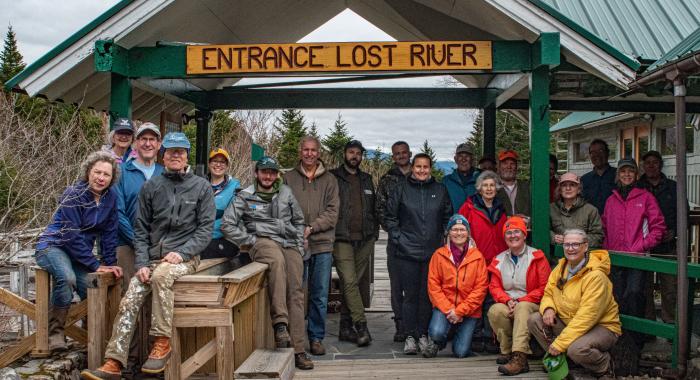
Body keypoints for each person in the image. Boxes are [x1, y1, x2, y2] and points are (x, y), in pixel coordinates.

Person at [82, 132, 215, 380]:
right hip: (153, 258)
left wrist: (182, 252)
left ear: (187, 156)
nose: (176, 156)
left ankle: (162, 342)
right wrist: (142, 262)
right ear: (163, 156)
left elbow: (205, 229)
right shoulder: (152, 186)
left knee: (162, 275)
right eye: (171, 151)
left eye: (181, 152)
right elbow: (141, 229)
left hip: (185, 259)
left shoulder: (201, 187)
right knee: (130, 297)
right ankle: (114, 361)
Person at [221, 156, 313, 370]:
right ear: (256, 173)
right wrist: (249, 240)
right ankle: (280, 323)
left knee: (297, 291)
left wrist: (299, 247)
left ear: (277, 174)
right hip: (261, 241)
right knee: (276, 262)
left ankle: (299, 349)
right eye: (264, 172)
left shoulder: (286, 193)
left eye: (272, 172)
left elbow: (299, 221)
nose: (268, 176)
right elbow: (227, 224)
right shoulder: (244, 196)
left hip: (289, 242)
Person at [35, 151, 123, 353]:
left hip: (76, 254)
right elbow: (70, 235)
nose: (101, 178)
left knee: (91, 285)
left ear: (112, 178)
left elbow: (109, 233)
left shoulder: (111, 198)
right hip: (54, 246)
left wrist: (109, 264)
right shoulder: (73, 194)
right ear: (88, 172)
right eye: (97, 172)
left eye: (106, 175)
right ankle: (55, 332)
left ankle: (89, 335)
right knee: (66, 278)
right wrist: (94, 265)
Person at [528, 229, 621, 378]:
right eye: (567, 244)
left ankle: (605, 366)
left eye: (575, 244)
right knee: (535, 320)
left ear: (585, 246)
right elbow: (548, 293)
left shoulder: (596, 276)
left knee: (576, 349)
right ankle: (565, 361)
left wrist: (560, 343)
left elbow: (587, 317)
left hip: (600, 326)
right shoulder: (560, 268)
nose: (570, 248)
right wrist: (549, 308)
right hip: (569, 322)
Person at [385, 153, 452, 355]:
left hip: (432, 252)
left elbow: (447, 217)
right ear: (412, 168)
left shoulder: (439, 190)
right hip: (406, 251)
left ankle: (422, 333)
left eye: (426, 167)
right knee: (410, 296)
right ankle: (409, 336)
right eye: (418, 166)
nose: (422, 170)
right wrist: (399, 239)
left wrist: (443, 239)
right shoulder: (401, 188)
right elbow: (390, 218)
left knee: (427, 296)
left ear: (430, 169)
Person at [112, 122, 163, 377]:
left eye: (153, 139)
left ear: (159, 144)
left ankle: (155, 363)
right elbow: (118, 212)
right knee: (129, 301)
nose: (147, 143)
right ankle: (128, 362)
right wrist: (138, 241)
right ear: (136, 143)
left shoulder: (166, 173)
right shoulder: (122, 171)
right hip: (129, 245)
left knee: (157, 303)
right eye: (143, 138)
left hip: (160, 248)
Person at [283, 135, 339, 356]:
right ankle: (296, 339)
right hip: (296, 245)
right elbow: (282, 209)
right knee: (296, 293)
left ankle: (316, 337)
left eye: (313, 150)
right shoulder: (287, 178)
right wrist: (298, 231)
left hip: (323, 245)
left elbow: (333, 213)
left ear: (319, 152)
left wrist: (311, 228)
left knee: (319, 294)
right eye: (305, 149)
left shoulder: (330, 181)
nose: (309, 153)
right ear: (300, 151)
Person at [602, 158, 665, 345]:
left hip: (637, 257)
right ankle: (620, 339)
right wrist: (607, 248)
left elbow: (658, 227)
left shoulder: (645, 197)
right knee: (617, 296)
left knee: (635, 294)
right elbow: (604, 227)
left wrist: (642, 245)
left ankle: (635, 340)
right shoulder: (611, 200)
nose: (626, 175)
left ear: (636, 175)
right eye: (623, 171)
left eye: (630, 171)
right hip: (615, 257)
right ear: (618, 175)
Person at [487, 216, 551, 375]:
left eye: (517, 232)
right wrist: (508, 301)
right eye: (508, 233)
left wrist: (520, 301)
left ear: (524, 234)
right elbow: (494, 286)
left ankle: (520, 357)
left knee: (522, 308)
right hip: (509, 302)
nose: (512, 236)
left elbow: (545, 287)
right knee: (495, 310)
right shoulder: (499, 259)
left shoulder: (537, 257)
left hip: (531, 304)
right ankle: (507, 350)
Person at [331, 140, 379, 347]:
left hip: (365, 239)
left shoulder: (367, 179)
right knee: (349, 282)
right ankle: (361, 325)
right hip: (341, 238)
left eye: (358, 153)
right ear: (345, 154)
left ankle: (344, 327)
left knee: (352, 285)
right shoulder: (333, 177)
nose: (354, 156)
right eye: (351, 152)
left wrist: (375, 233)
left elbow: (374, 207)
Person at [423, 214, 488, 358]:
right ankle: (438, 340)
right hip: (445, 307)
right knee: (436, 332)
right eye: (455, 229)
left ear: (468, 233)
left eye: (462, 229)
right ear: (448, 232)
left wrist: (460, 311)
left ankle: (455, 333)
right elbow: (434, 287)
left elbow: (480, 289)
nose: (459, 233)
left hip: (468, 310)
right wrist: (449, 310)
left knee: (461, 352)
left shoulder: (478, 257)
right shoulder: (439, 255)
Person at [458, 170, 507, 353]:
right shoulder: (469, 207)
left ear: (496, 188)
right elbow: (459, 231)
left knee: (492, 299)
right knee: (476, 298)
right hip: (476, 260)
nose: (488, 189)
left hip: (497, 262)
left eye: (492, 185)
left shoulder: (501, 208)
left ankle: (490, 335)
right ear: (479, 188)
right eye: (485, 185)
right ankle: (476, 336)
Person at [639, 150, 681, 324]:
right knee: (644, 288)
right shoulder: (637, 187)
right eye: (647, 162)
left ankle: (670, 326)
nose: (651, 166)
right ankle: (649, 327)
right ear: (643, 166)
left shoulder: (673, 187)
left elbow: (682, 213)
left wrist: (675, 231)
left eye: (654, 162)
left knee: (670, 288)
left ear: (661, 165)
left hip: (667, 244)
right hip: (644, 245)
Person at [376, 140, 412, 342]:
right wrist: (394, 231)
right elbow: (379, 209)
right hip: (396, 241)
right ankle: (400, 324)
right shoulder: (387, 179)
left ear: (410, 153)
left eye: (404, 152)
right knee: (397, 285)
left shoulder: (419, 176)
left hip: (418, 240)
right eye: (397, 153)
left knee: (415, 285)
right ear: (393, 156)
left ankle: (413, 323)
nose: (401, 156)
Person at [201, 148, 241, 259]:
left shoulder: (235, 188)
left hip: (225, 239)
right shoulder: (199, 184)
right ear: (209, 164)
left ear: (227, 165)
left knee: (203, 250)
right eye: (215, 161)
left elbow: (232, 220)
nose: (218, 165)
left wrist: (206, 233)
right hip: (201, 237)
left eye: (222, 162)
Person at [550, 172, 604, 249]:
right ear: (560, 190)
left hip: (582, 258)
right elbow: (542, 229)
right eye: (564, 185)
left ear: (578, 189)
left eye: (572, 185)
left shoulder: (591, 210)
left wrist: (578, 240)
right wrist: (553, 237)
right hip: (557, 258)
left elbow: (598, 237)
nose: (568, 188)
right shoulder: (551, 209)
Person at [581, 139, 616, 215]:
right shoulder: (584, 180)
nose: (597, 155)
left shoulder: (618, 176)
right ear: (590, 156)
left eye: (600, 151)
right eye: (593, 152)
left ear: (607, 153)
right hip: (591, 224)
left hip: (613, 223)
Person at [443, 143, 480, 212]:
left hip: (476, 222)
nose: (463, 159)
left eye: (467, 156)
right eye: (460, 156)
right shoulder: (446, 182)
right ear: (455, 159)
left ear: (472, 159)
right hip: (453, 222)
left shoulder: (482, 180)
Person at [496, 150, 531, 217]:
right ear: (499, 167)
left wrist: (529, 221)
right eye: (505, 163)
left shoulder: (527, 187)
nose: (509, 167)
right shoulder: (491, 188)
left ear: (516, 167)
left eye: (512, 163)